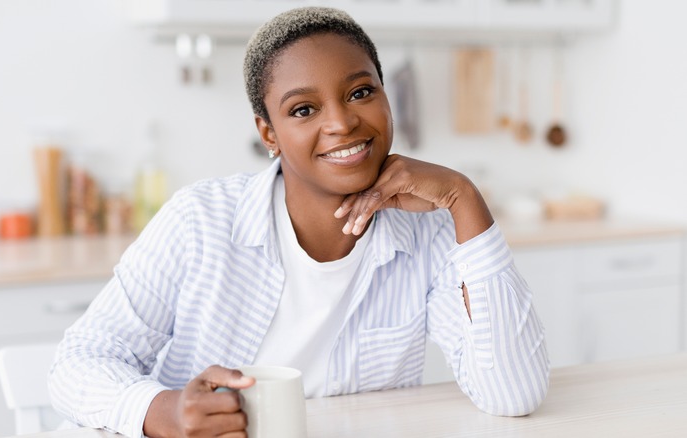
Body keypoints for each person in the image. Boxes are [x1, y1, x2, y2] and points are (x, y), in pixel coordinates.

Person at [48, 6, 549, 438]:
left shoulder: (431, 232)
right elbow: (77, 363)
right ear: (269, 133)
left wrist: (464, 199)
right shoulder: (199, 221)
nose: (342, 122)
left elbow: (512, 392)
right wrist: (166, 411)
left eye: (359, 93)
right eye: (304, 109)